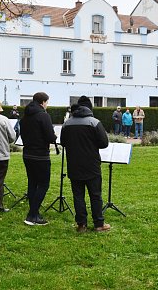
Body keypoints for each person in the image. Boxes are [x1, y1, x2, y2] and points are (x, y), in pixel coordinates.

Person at [60, 99, 110, 233]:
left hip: (74, 164)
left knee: (78, 195)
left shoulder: (67, 124)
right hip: (91, 164)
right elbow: (104, 143)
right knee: (95, 195)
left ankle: (81, 224)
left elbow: (63, 142)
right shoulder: (94, 123)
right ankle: (99, 223)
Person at [20, 92, 57, 226]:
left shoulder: (25, 116)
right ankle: (32, 215)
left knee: (32, 183)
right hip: (40, 155)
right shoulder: (43, 115)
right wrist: (54, 136)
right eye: (47, 102)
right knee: (43, 184)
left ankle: (34, 212)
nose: (47, 105)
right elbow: (49, 136)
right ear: (42, 102)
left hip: (27, 153)